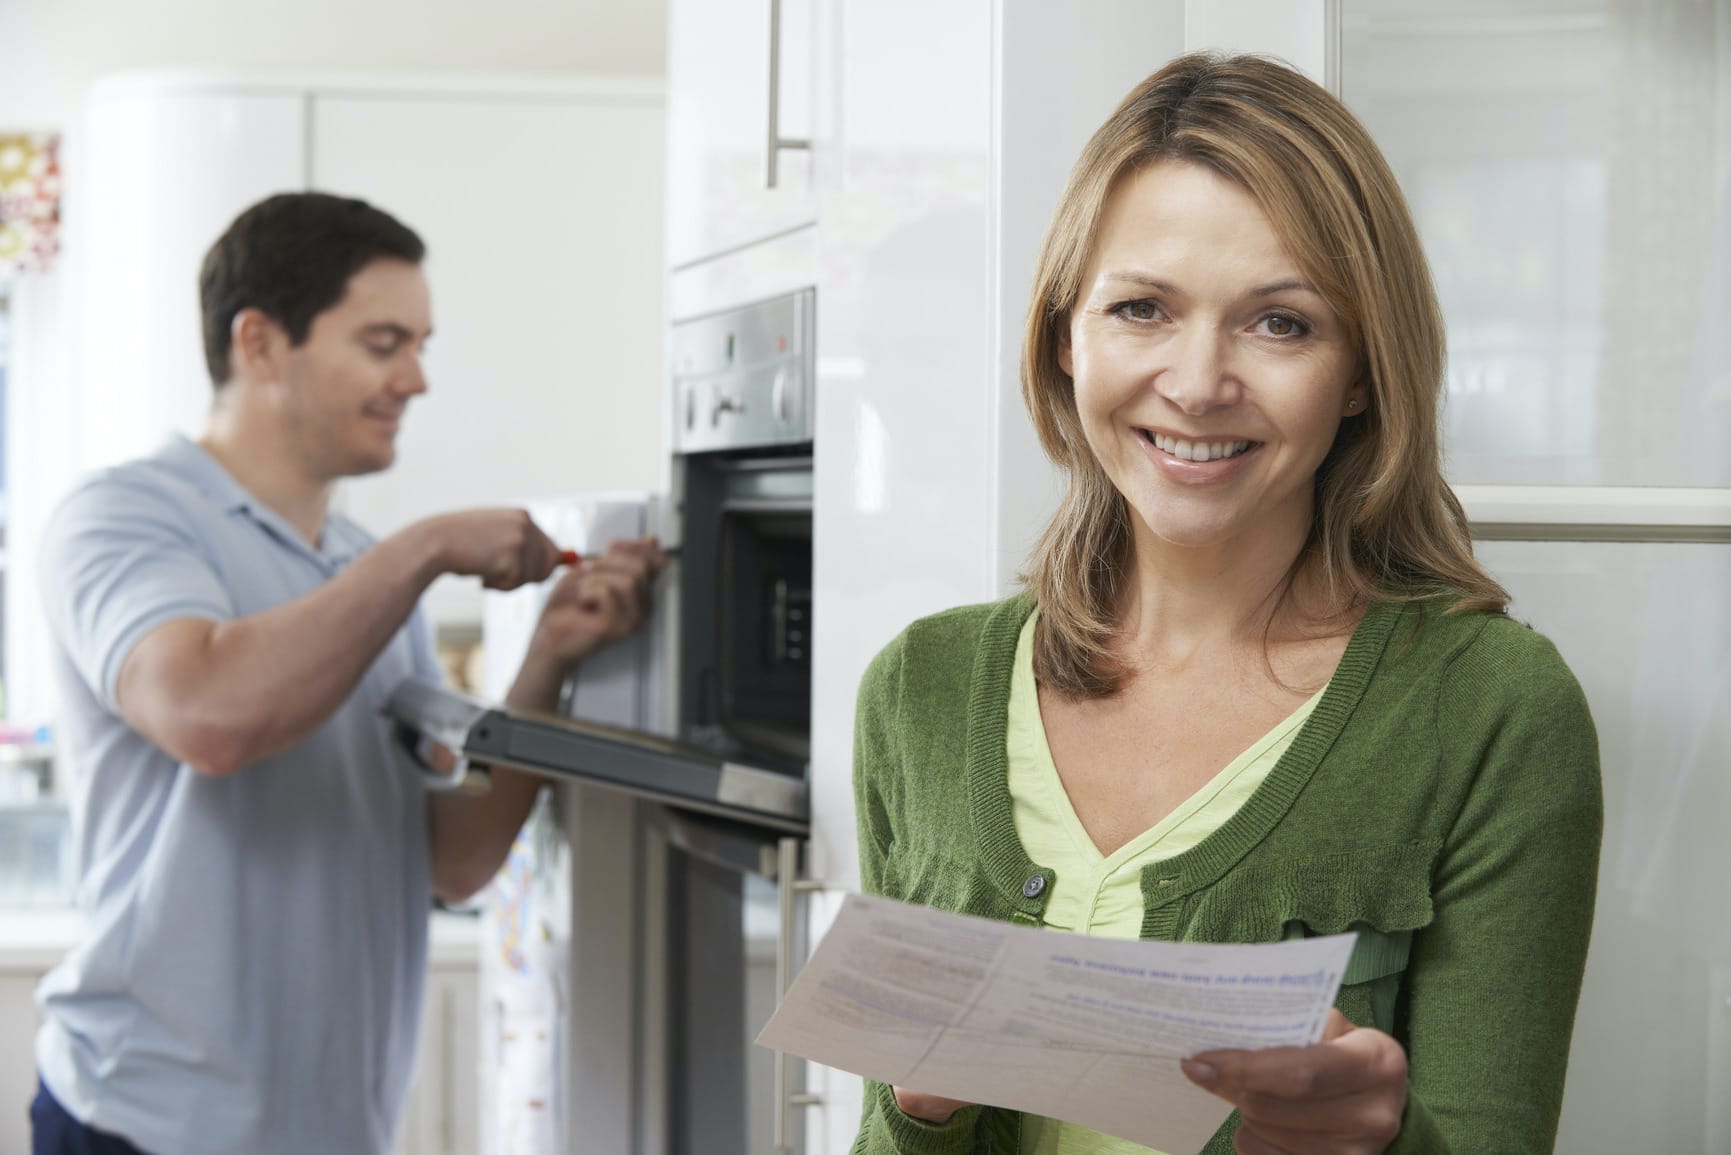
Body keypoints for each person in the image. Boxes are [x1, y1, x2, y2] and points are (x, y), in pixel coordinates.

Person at [850, 53, 1601, 1155]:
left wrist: (1377, 1139)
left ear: (1361, 371)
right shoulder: (922, 687)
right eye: (1142, 308)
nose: (1198, 383)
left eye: (1281, 323)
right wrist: (920, 1107)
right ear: (1068, 337)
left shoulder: (1492, 708)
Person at [29, 192, 662, 1155]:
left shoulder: (358, 570)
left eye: (420, 344)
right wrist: (428, 546)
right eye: (382, 342)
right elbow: (209, 716)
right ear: (261, 344)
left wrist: (546, 663)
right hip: (146, 1127)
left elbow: (452, 859)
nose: (415, 378)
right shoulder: (123, 515)